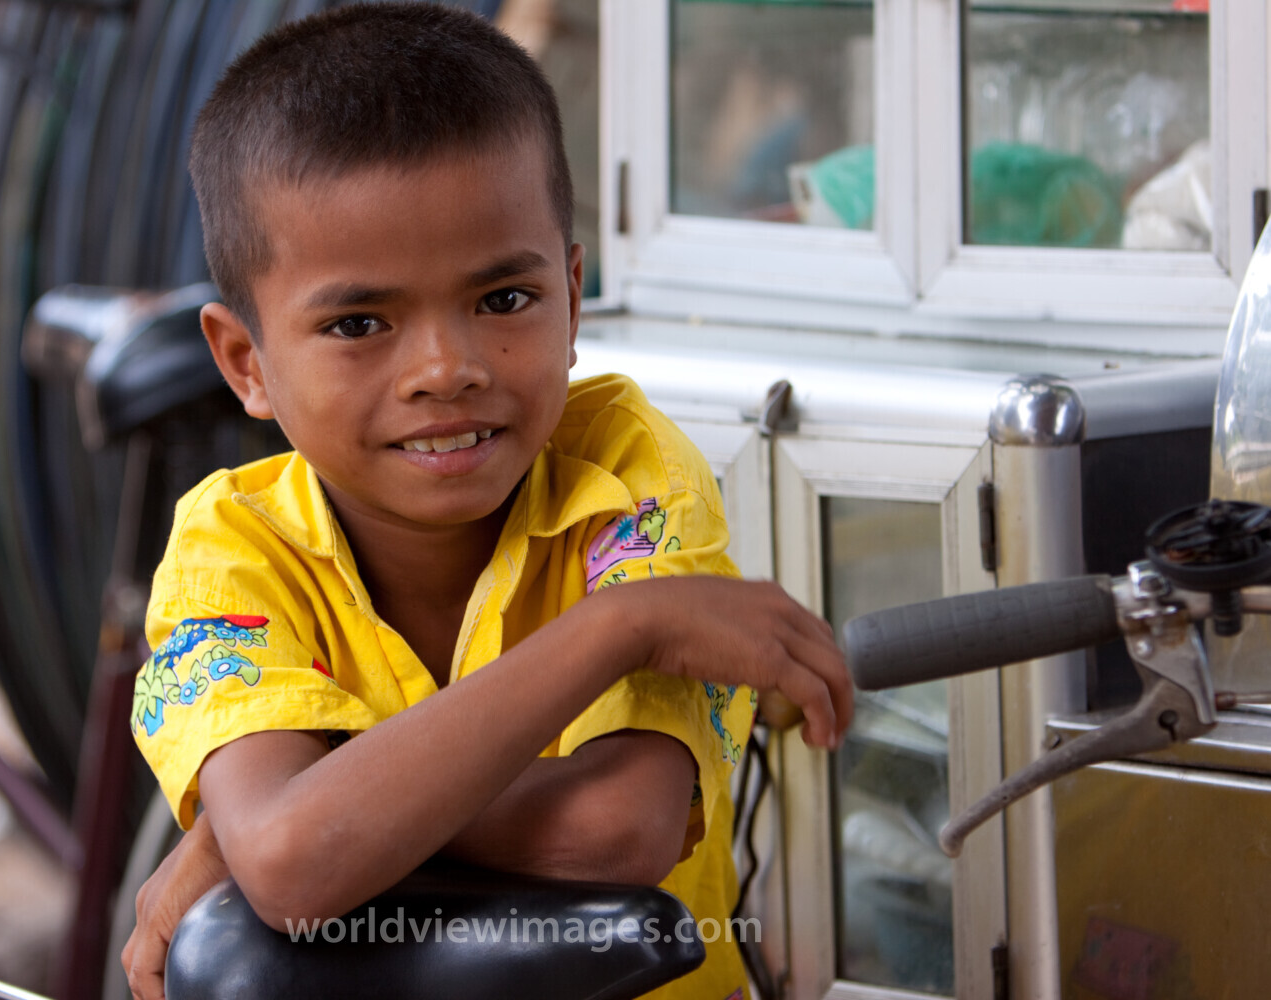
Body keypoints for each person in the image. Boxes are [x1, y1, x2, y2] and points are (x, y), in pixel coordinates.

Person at [120, 5, 853, 999]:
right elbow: (296, 861)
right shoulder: (231, 548)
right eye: (359, 322)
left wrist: (311, 821)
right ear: (246, 362)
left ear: (572, 295)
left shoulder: (624, 470)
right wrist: (623, 625)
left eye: (504, 300)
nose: (444, 369)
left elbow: (615, 830)